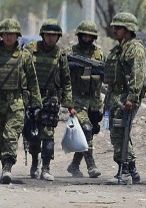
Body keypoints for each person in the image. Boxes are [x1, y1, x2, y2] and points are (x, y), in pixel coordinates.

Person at [0, 18, 41, 184]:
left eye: (12, 34)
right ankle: (4, 162)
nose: (9, 37)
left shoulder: (25, 56)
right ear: (1, 35)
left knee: (11, 135)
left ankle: (7, 168)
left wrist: (37, 103)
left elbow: (33, 80)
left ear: (17, 36)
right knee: (0, 138)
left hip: (16, 102)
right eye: (6, 34)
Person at [25, 19, 75, 181]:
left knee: (47, 135)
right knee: (32, 134)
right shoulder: (30, 50)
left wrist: (69, 104)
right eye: (48, 35)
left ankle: (46, 167)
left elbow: (66, 80)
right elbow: (21, 72)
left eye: (55, 35)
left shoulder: (60, 54)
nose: (51, 38)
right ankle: (34, 162)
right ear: (43, 35)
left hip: (51, 99)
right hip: (32, 97)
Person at [104, 12, 146, 184]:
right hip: (114, 96)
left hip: (126, 96)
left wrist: (132, 97)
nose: (115, 30)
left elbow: (138, 74)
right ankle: (132, 171)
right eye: (115, 27)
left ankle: (125, 171)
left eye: (119, 27)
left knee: (121, 132)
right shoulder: (118, 49)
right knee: (117, 131)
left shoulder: (135, 48)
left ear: (128, 29)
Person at [65, 20, 103, 178]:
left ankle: (74, 165)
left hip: (94, 100)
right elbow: (62, 77)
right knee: (86, 129)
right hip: (78, 99)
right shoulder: (71, 52)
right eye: (84, 36)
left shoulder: (98, 54)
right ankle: (91, 165)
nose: (87, 39)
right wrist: (69, 67)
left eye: (90, 36)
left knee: (89, 132)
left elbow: (105, 75)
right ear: (79, 36)